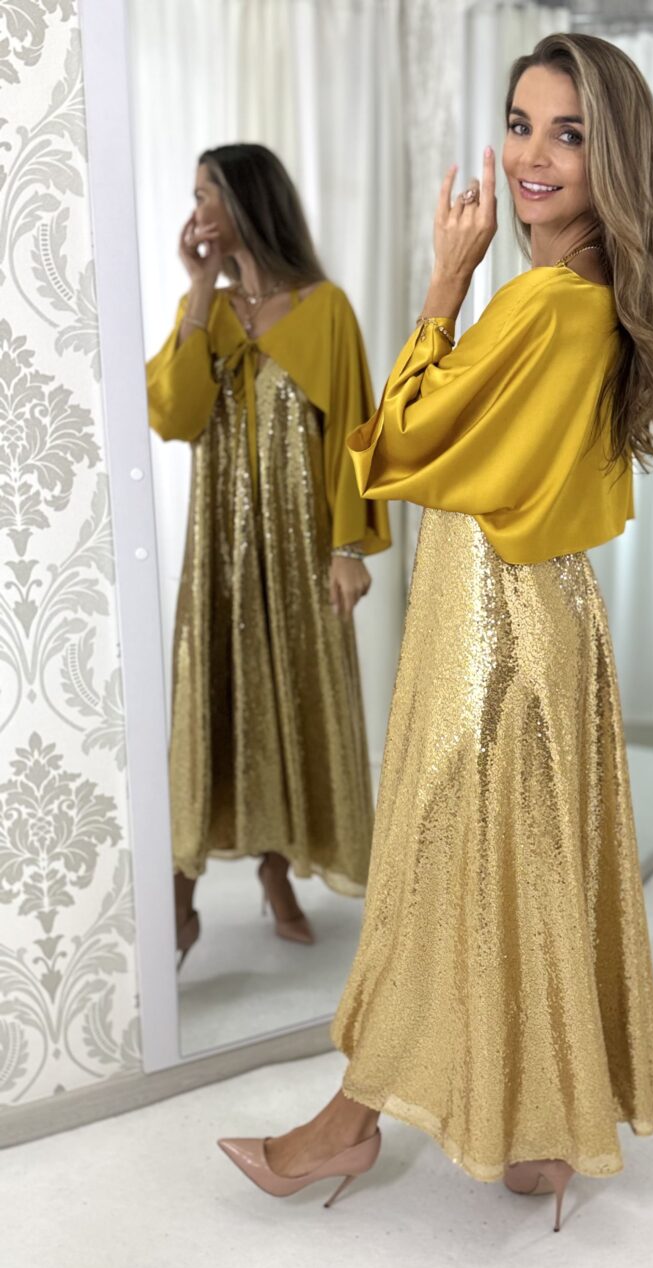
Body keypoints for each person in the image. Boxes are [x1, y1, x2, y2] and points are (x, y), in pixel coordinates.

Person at [218, 33, 653, 1231]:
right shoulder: (586, 297)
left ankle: (347, 1123)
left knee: (438, 865)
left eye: (569, 133)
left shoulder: (546, 306)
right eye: (520, 124)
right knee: (518, 871)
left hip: (496, 635)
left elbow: (402, 446)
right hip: (530, 612)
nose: (532, 154)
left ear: (614, 156)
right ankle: (543, 1133)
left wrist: (443, 279)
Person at [146, 144, 390, 967]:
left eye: (207, 194)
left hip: (301, 557)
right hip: (217, 559)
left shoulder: (326, 311)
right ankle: (178, 907)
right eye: (194, 196)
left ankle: (276, 873)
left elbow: (356, 435)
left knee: (294, 707)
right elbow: (175, 417)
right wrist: (197, 289)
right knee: (210, 712)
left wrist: (348, 548)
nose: (197, 211)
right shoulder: (207, 314)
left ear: (247, 201)